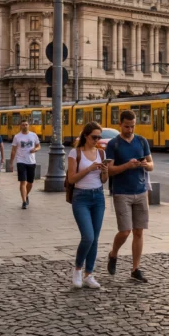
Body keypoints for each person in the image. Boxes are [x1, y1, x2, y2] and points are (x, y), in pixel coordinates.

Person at [105, 110, 153, 283]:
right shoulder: (113, 144)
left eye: (133, 126)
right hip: (121, 192)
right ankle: (113, 254)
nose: (130, 130)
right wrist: (126, 165)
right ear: (120, 125)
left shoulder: (141, 141)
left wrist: (145, 164)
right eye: (127, 127)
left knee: (139, 232)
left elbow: (152, 164)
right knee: (125, 231)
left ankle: (135, 269)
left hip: (141, 191)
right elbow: (109, 170)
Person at [67, 122, 109, 289]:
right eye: (94, 137)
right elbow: (71, 179)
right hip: (81, 197)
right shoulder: (75, 153)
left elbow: (104, 180)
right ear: (86, 136)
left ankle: (89, 274)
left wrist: (105, 170)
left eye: (99, 137)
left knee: (95, 239)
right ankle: (78, 269)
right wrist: (90, 168)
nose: (97, 140)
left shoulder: (101, 152)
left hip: (98, 196)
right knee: (88, 237)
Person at [9, 120, 41, 209]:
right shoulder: (17, 137)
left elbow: (38, 146)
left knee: (30, 182)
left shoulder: (33, 135)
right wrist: (11, 162)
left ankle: (26, 195)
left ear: (28, 126)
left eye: (26, 124)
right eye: (23, 125)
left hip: (31, 161)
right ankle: (23, 201)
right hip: (21, 161)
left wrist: (35, 150)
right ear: (20, 126)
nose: (25, 126)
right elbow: (13, 150)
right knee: (23, 181)